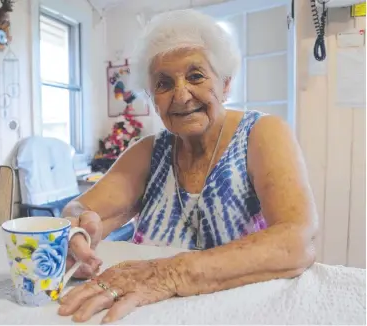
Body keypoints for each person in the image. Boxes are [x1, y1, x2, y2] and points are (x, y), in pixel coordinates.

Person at [58, 9, 318, 324]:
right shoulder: (148, 151)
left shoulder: (262, 133)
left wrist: (168, 274)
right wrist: (76, 231)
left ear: (225, 83)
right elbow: (80, 208)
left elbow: (297, 241)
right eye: (164, 83)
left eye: (195, 76)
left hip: (242, 313)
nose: (181, 96)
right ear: (153, 99)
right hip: (149, 314)